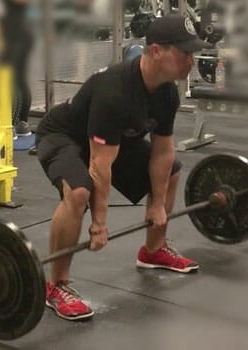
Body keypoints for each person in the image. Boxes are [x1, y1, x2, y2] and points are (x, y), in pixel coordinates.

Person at [35, 14, 212, 321]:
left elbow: (162, 151)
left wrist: (157, 204)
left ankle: (153, 250)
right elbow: (100, 165)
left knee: (171, 172)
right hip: (64, 135)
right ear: (157, 51)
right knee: (78, 193)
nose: (191, 61)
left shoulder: (167, 93)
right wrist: (99, 225)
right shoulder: (115, 90)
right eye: (185, 53)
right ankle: (57, 285)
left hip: (113, 136)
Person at [0, 0, 35, 136]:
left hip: (17, 35)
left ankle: (15, 124)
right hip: (12, 33)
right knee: (14, 78)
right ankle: (19, 124)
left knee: (13, 78)